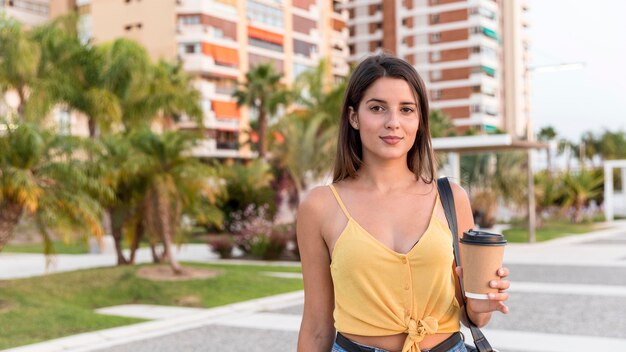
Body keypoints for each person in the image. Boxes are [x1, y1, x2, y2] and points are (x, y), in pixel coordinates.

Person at [296, 54, 510, 352]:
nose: (393, 122)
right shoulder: (320, 206)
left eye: (406, 109)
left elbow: (473, 315)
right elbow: (317, 327)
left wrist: (483, 301)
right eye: (377, 108)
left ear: (419, 120)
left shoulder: (451, 198)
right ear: (353, 117)